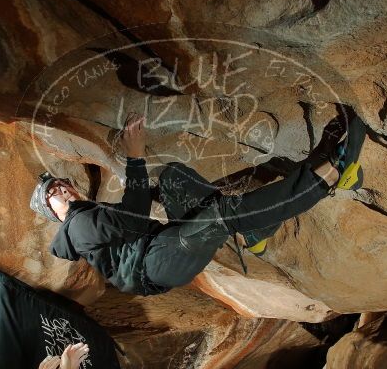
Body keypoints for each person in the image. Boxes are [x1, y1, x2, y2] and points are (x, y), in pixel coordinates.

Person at [30, 111, 366, 296]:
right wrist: (135, 155)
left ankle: (257, 233)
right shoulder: (76, 227)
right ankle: (332, 175)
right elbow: (134, 218)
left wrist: (167, 188)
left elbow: (138, 207)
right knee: (219, 216)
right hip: (154, 264)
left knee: (174, 178)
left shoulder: (91, 215)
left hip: (158, 247)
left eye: (59, 185)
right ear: (54, 215)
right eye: (52, 196)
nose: (60, 190)